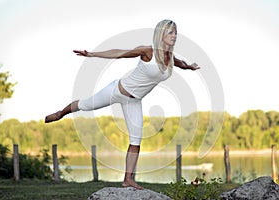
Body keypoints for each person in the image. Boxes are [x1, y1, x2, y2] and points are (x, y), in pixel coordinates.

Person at [45, 19, 199, 189]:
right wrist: (92, 54)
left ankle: (128, 179)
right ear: (160, 34)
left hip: (134, 102)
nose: (174, 36)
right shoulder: (148, 51)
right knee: (86, 105)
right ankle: (61, 113)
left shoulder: (170, 58)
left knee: (136, 141)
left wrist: (190, 66)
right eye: (170, 32)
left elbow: (181, 64)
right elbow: (119, 53)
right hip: (117, 90)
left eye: (175, 32)